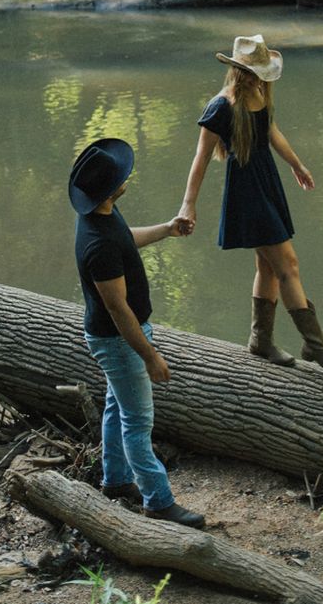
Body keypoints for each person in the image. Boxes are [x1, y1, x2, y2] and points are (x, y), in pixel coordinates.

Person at [179, 34, 323, 371]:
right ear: (241, 71)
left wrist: (297, 165)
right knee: (289, 265)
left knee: (268, 267)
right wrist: (188, 204)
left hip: (267, 182)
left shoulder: (259, 93)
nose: (260, 78)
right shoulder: (221, 106)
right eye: (255, 72)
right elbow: (200, 158)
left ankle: (260, 341)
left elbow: (273, 133)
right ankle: (315, 346)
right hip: (247, 190)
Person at [70, 137, 205, 529]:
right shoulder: (99, 244)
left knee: (117, 407)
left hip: (114, 339)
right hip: (119, 341)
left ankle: (115, 480)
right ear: (113, 189)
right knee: (137, 421)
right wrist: (149, 356)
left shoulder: (101, 216)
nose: (127, 176)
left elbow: (126, 239)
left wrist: (167, 229)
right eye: (121, 175)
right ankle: (158, 500)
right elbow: (118, 309)